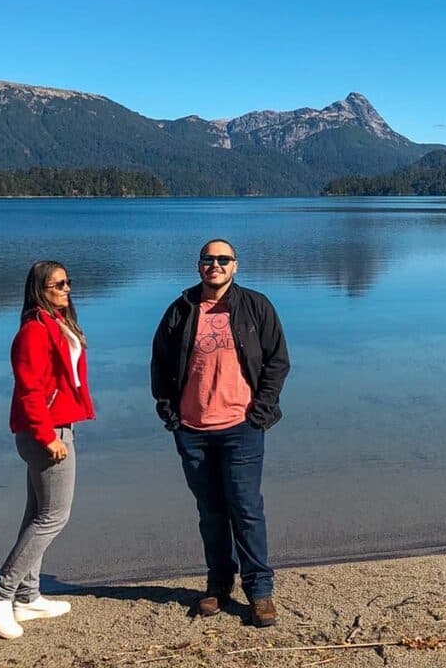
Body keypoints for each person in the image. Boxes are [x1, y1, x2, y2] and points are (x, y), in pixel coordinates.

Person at [151, 239, 290, 626]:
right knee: (211, 512)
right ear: (199, 267)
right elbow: (160, 363)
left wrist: (260, 412)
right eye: (208, 260)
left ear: (235, 266)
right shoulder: (180, 310)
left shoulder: (255, 307)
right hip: (193, 430)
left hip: (241, 428)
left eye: (223, 259)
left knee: (245, 509)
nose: (215, 265)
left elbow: (278, 361)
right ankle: (218, 584)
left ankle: (260, 591)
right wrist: (170, 414)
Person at [0, 261, 95, 639]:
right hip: (46, 432)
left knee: (37, 515)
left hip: (58, 426)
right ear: (39, 288)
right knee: (53, 518)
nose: (66, 288)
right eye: (58, 284)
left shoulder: (56, 323)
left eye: (68, 282)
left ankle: (27, 597)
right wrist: (48, 436)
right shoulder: (33, 331)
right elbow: (28, 390)